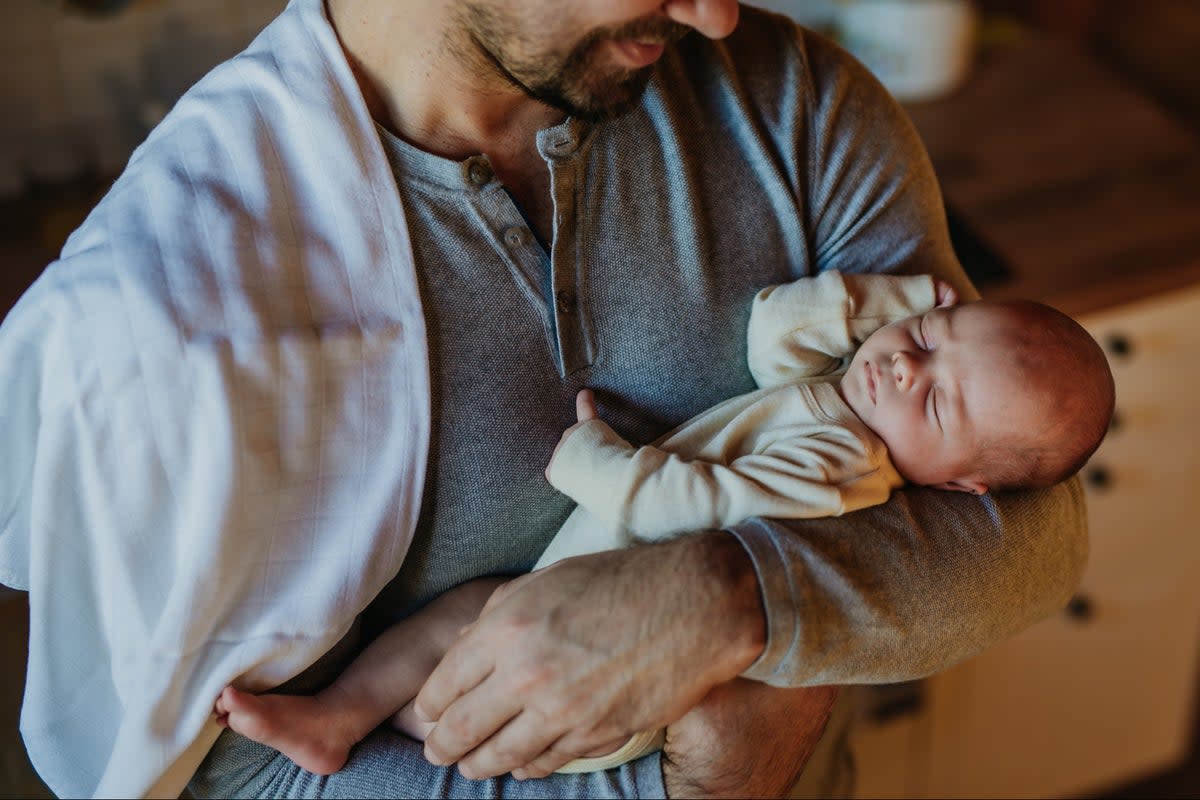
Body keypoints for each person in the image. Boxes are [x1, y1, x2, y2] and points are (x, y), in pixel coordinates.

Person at [0, 1, 1093, 798]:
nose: (714, 14)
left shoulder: (792, 100)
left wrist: (729, 596)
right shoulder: (175, 304)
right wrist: (696, 773)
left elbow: (1032, 529)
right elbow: (235, 776)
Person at [208, 271, 1114, 779]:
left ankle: (366, 729)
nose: (906, 371)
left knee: (469, 659)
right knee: (469, 617)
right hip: (565, 591)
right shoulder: (847, 397)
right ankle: (337, 718)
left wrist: (591, 459)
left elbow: (700, 507)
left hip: (611, 666)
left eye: (941, 403)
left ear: (959, 484)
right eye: (925, 340)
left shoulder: (842, 469)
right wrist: (881, 307)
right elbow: (772, 337)